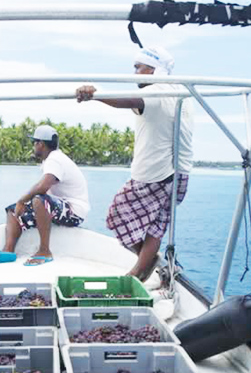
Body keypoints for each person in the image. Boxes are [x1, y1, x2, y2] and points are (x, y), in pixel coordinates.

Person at [75, 46, 193, 282]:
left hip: (157, 172)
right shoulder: (179, 92)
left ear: (153, 69)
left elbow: (127, 100)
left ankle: (140, 268)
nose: (135, 72)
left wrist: (94, 94)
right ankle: (145, 265)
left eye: (139, 67)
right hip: (180, 171)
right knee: (156, 225)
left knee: (117, 215)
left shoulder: (157, 92)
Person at [0, 125, 90, 266]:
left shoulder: (55, 159)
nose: (33, 146)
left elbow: (43, 186)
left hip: (74, 212)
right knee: (13, 210)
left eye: (35, 142)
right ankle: (8, 250)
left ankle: (45, 251)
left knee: (39, 200)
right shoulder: (51, 159)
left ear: (41, 144)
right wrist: (20, 204)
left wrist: (22, 200)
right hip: (61, 208)